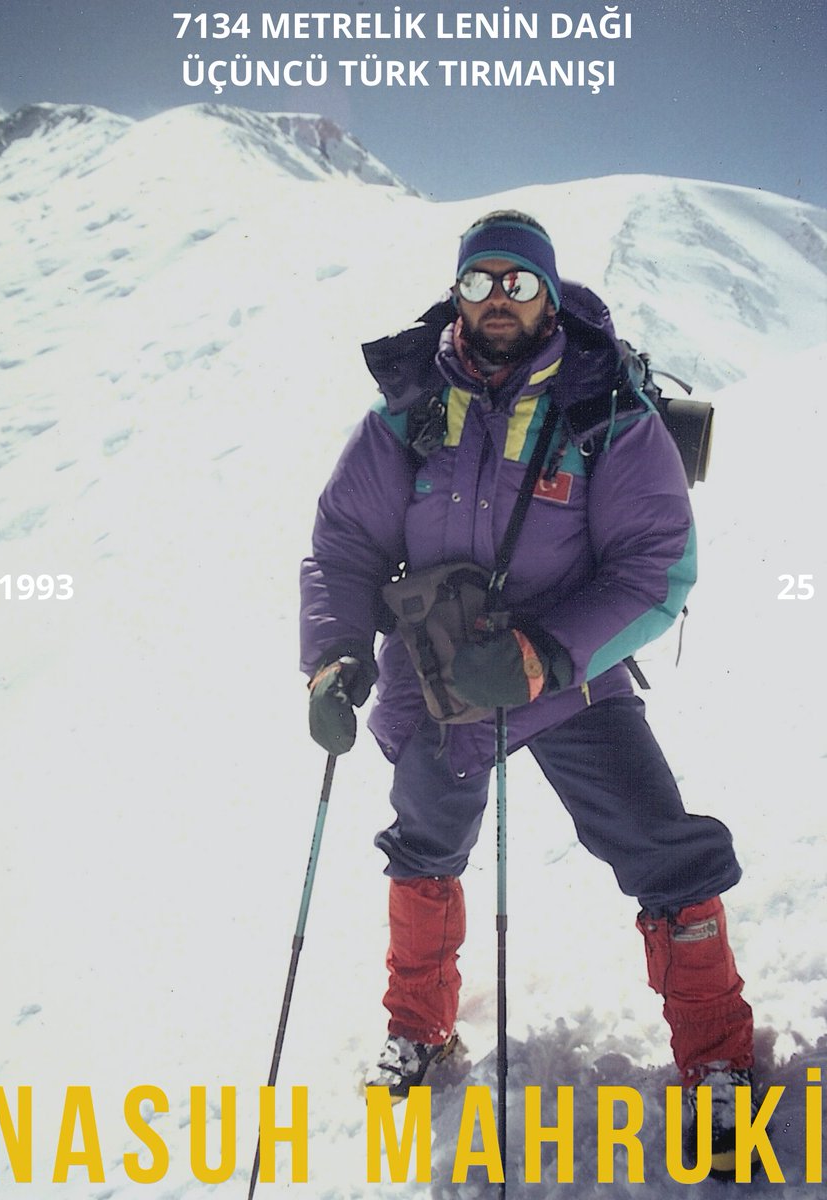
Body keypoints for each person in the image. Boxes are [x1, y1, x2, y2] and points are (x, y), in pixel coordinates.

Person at [299, 210, 754, 1174]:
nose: (496, 299)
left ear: (547, 292)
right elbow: (342, 544)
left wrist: (547, 654)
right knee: (421, 846)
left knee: (662, 849)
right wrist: (335, 658)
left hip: (569, 680)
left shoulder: (605, 412)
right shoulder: (409, 408)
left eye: (516, 282)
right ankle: (420, 1033)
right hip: (436, 678)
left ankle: (717, 1064)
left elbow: (655, 569)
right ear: (457, 295)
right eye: (478, 282)